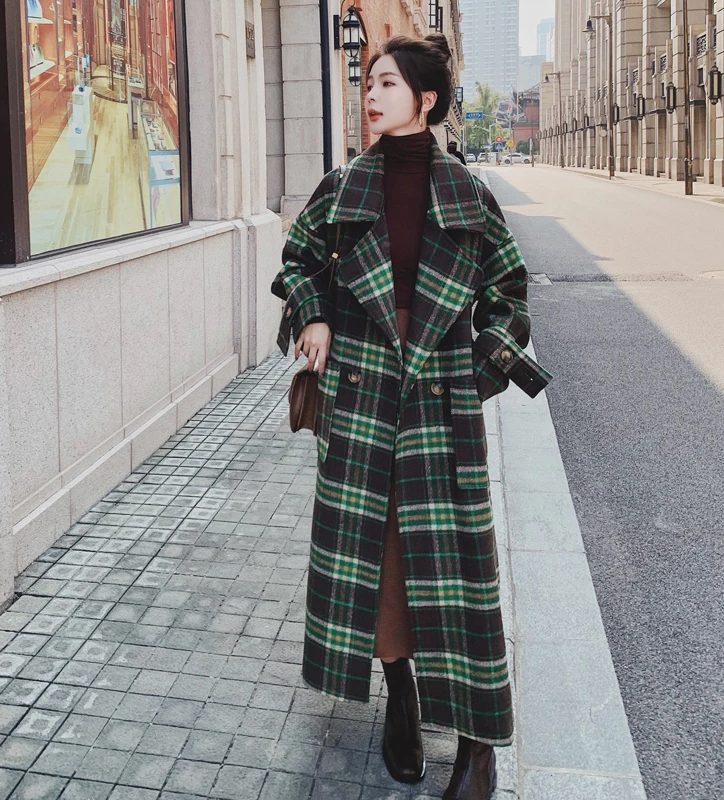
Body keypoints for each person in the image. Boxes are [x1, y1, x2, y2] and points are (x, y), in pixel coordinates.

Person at [271, 33, 551, 800]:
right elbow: (297, 262)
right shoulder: (342, 188)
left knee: (461, 580)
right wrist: (312, 314)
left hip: (439, 415)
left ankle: (479, 744)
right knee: (384, 567)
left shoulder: (468, 195)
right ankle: (402, 699)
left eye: (387, 82)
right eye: (368, 81)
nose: (371, 93)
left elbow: (509, 295)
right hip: (363, 408)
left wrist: (476, 371)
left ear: (425, 100)